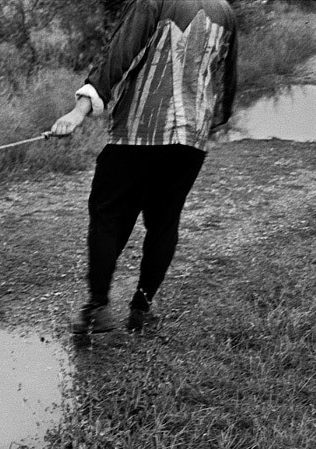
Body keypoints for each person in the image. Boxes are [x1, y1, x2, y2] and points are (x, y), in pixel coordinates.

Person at [50, 0, 238, 333]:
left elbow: (117, 59)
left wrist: (79, 112)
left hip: (139, 132)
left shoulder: (152, 1)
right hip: (192, 138)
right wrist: (208, 122)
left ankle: (98, 307)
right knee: (164, 222)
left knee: (108, 215)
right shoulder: (224, 11)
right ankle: (141, 308)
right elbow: (226, 78)